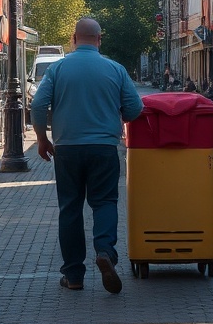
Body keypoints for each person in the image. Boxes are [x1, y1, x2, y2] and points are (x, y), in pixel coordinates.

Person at [31, 17, 144, 293]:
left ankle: (73, 275)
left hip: (67, 149)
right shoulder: (115, 69)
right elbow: (135, 108)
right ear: (99, 39)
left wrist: (42, 138)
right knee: (105, 202)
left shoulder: (57, 69)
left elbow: (37, 104)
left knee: (70, 208)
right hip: (104, 148)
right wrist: (117, 115)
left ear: (73, 38)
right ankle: (105, 251)